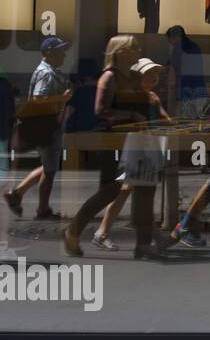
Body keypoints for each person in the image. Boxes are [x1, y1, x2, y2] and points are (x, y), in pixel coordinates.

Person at [63, 35, 145, 258]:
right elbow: (100, 111)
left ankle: (145, 241)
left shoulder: (133, 77)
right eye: (133, 48)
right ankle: (73, 230)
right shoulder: (109, 78)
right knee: (110, 190)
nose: (138, 51)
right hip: (111, 141)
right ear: (120, 52)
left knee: (130, 186)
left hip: (131, 139)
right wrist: (131, 115)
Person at [90, 59, 172, 250]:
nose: (154, 77)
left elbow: (165, 119)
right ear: (137, 76)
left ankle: (105, 233)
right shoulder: (131, 97)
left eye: (156, 73)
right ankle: (105, 233)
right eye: (149, 73)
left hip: (148, 148)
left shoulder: (152, 97)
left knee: (133, 191)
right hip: (135, 148)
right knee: (130, 191)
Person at [4, 37, 73, 220]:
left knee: (47, 166)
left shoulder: (48, 71)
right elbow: (37, 99)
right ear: (49, 53)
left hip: (46, 124)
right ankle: (43, 210)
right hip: (46, 125)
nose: (64, 54)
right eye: (60, 51)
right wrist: (62, 98)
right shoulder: (47, 73)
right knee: (50, 170)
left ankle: (17, 194)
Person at [164, 25, 207, 119]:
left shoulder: (178, 48)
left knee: (188, 121)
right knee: (198, 121)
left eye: (169, 40)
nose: (170, 43)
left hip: (187, 91)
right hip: (200, 90)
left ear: (175, 37)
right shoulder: (195, 46)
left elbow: (168, 67)